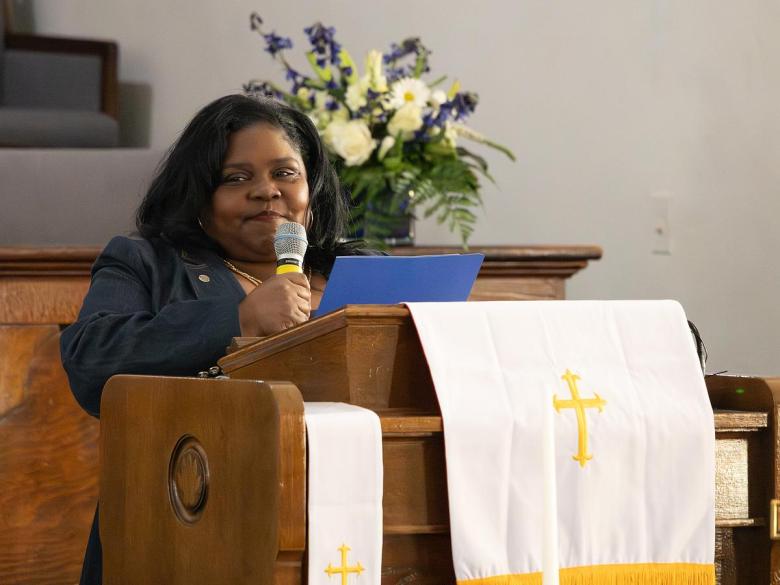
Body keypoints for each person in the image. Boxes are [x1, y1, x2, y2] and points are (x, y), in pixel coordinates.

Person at [60, 94, 376, 585]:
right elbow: (90, 359)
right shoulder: (146, 263)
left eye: (285, 173)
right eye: (236, 178)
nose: (266, 191)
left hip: (357, 513)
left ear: (311, 189)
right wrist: (237, 318)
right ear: (199, 197)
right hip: (190, 517)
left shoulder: (362, 274)